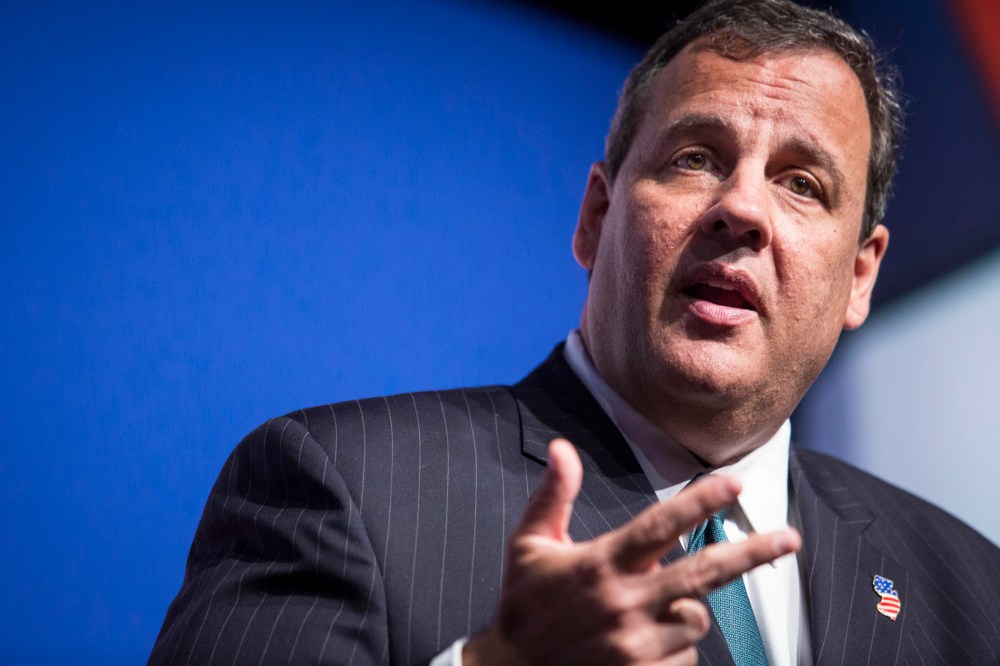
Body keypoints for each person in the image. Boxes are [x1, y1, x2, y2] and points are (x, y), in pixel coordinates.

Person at [150, 0, 1000, 664]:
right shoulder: (339, 484)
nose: (741, 209)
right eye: (695, 157)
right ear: (596, 217)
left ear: (860, 275)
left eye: (803, 184)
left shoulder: (968, 585)